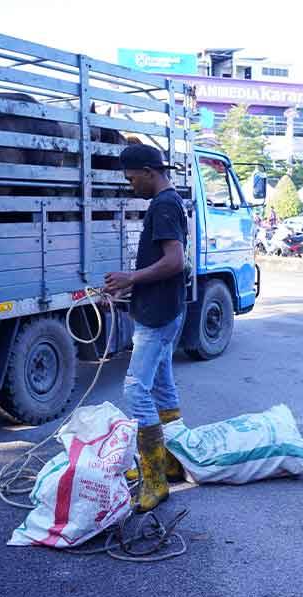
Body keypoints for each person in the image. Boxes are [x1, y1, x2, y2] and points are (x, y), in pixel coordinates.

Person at [104, 144, 188, 513]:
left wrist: (131, 276)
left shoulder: (165, 205)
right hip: (162, 309)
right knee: (162, 386)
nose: (130, 184)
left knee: (136, 389)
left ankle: (154, 481)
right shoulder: (166, 202)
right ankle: (169, 461)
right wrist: (130, 285)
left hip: (158, 315)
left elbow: (175, 262)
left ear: (149, 172)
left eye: (131, 177)